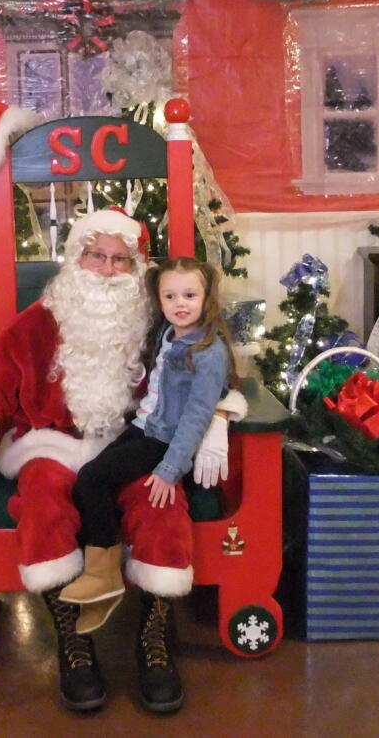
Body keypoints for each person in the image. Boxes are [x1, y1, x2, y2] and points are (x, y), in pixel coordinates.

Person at [0, 209, 244, 714]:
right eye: (97, 256)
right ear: (76, 258)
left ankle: (154, 635)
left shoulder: (160, 320)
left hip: (132, 440)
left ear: (137, 268)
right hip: (51, 442)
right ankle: (73, 639)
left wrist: (218, 420)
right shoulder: (40, 321)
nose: (108, 269)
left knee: (160, 502)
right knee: (43, 499)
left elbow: (212, 374)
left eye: (120, 259)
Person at [59, 257, 238, 645]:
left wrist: (171, 468)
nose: (180, 304)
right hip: (142, 426)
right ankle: (102, 574)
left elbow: (195, 416)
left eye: (189, 295)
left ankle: (103, 574)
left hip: (161, 441)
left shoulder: (208, 352)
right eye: (170, 296)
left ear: (206, 297)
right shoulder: (169, 333)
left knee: (91, 480)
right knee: (92, 475)